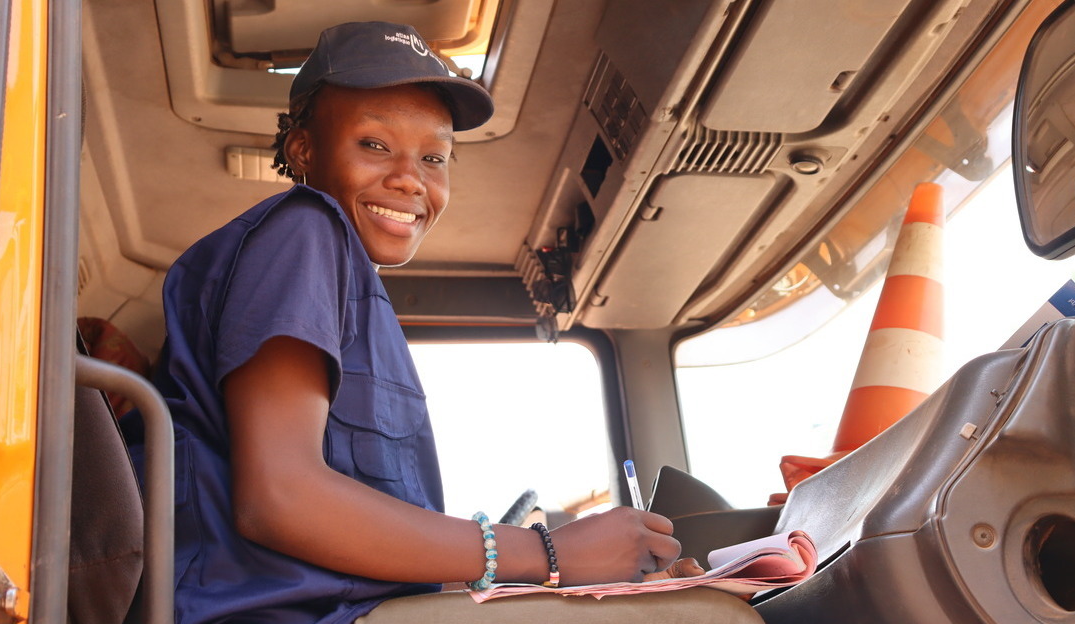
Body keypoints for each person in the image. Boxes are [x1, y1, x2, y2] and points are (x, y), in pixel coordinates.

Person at [127, 21, 763, 624]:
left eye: (435, 158)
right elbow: (279, 499)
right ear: (303, 148)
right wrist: (547, 554)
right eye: (374, 144)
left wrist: (571, 564)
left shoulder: (341, 276)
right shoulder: (304, 232)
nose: (409, 179)